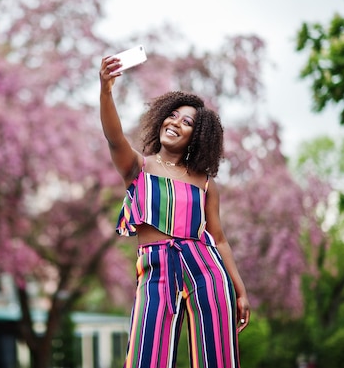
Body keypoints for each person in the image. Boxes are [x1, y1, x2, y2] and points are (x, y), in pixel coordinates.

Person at [99, 55, 250, 368]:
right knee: (145, 358)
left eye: (187, 122)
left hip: (206, 270)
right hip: (156, 270)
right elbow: (114, 137)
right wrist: (106, 91)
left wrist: (240, 291)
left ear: (197, 136)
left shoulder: (205, 183)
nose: (176, 123)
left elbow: (219, 240)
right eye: (173, 116)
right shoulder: (138, 167)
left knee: (217, 359)